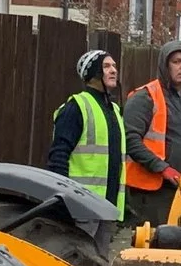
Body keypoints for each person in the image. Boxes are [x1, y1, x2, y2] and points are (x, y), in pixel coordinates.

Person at [123, 43, 181, 226]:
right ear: (165, 65)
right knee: (157, 243)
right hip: (153, 191)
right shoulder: (145, 97)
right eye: (176, 61)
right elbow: (130, 140)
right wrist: (162, 168)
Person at [44, 49, 124, 217]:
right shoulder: (76, 107)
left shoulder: (114, 110)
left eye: (114, 66)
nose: (114, 70)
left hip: (109, 206)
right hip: (80, 205)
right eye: (106, 66)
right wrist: (61, 195)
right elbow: (59, 154)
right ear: (93, 72)